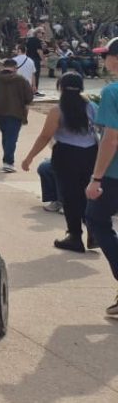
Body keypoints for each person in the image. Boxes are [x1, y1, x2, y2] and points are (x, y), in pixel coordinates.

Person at [21, 71, 98, 252]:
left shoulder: (58, 110)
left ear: (60, 87)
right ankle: (93, 231)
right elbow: (102, 129)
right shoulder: (92, 107)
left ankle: (75, 237)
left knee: (70, 197)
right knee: (87, 194)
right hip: (90, 154)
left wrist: (29, 157)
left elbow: (45, 136)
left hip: (66, 155)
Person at [84, 38, 118, 318]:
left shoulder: (112, 92)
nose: (104, 60)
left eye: (106, 55)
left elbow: (111, 139)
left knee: (95, 219)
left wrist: (96, 178)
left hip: (114, 175)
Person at [0, 58, 35, 173]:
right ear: (15, 67)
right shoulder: (20, 79)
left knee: (6, 136)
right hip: (16, 112)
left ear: (3, 66)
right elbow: (29, 97)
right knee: (12, 138)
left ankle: (7, 159)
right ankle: (8, 162)